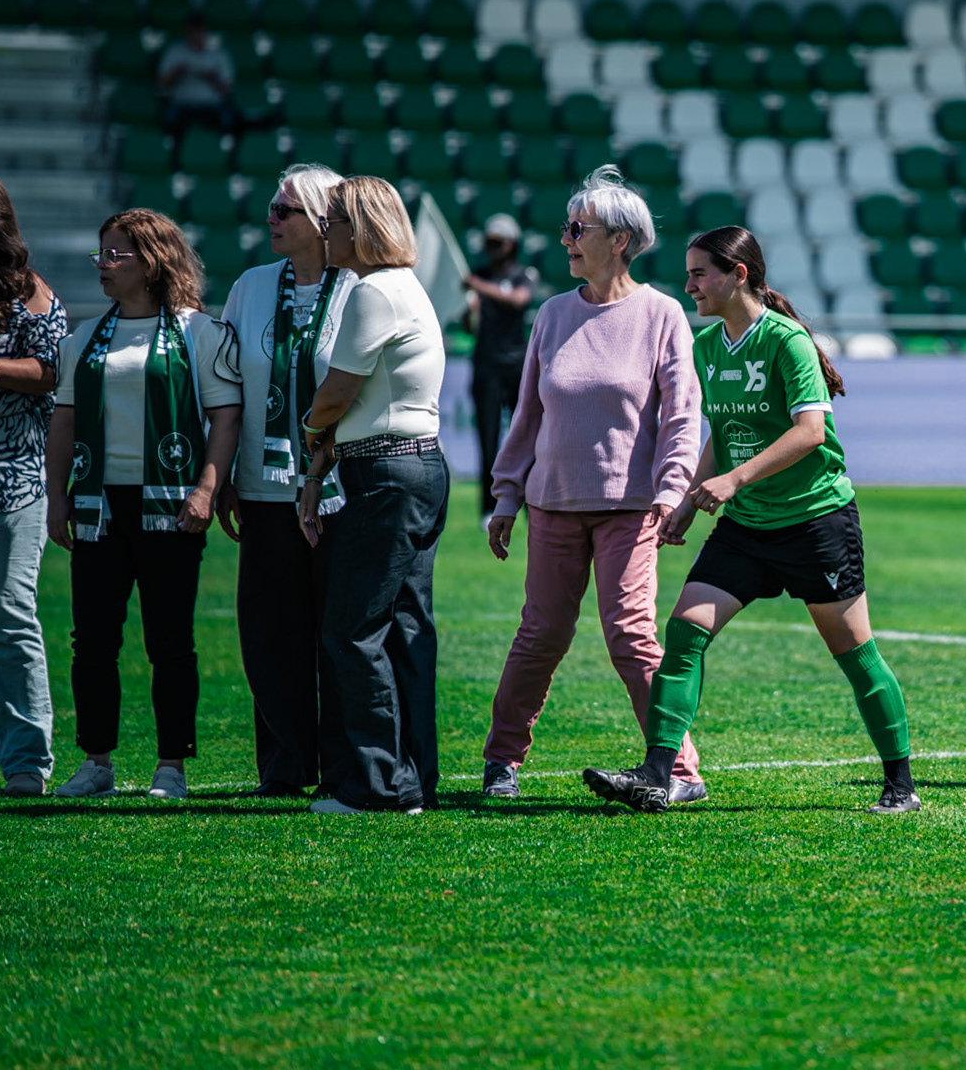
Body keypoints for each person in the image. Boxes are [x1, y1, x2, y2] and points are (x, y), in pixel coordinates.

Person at [581, 225, 919, 815]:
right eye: (687, 275)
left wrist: (734, 480)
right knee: (685, 631)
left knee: (855, 654)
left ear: (739, 275)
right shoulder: (708, 346)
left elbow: (811, 433)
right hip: (748, 526)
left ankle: (901, 785)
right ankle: (657, 775)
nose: (689, 287)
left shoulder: (785, 340)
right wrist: (686, 499)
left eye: (699, 274)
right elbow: (723, 435)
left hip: (816, 522)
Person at [479, 168, 702, 800]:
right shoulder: (550, 315)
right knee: (539, 634)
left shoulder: (662, 314)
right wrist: (506, 494)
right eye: (566, 228)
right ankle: (503, 760)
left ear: (622, 240)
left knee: (632, 635)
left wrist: (671, 490)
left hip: (632, 507)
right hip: (552, 503)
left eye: (580, 229)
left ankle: (680, 771)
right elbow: (527, 415)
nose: (567, 240)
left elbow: (684, 414)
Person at [46, 208, 240, 800]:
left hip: (172, 511)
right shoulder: (84, 337)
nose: (103, 265)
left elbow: (225, 418)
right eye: (99, 254)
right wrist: (57, 498)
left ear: (151, 260)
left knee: (170, 641)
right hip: (99, 509)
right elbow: (65, 420)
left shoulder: (196, 332)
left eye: (115, 254)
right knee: (94, 641)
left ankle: (170, 767)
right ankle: (96, 762)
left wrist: (207, 489)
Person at [297, 177, 448, 815]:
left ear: (358, 228)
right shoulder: (404, 286)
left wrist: (311, 438)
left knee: (353, 630)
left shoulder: (372, 292)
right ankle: (412, 781)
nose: (323, 229)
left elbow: (336, 394)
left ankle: (373, 787)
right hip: (419, 468)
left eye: (332, 219)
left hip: (384, 473)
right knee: (406, 629)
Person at [215, 163, 356, 797]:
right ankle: (283, 767)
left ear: (325, 223)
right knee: (271, 636)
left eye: (285, 210)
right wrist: (220, 476)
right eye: (272, 207)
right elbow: (226, 389)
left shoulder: (360, 288)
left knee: (337, 632)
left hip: (339, 491)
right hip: (265, 489)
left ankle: (341, 764)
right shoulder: (249, 286)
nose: (271, 217)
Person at [0, 168, 67, 797]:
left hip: (7, 483)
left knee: (7, 621)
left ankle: (27, 765)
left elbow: (51, 372)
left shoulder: (26, 291)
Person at [465, 213, 536, 521]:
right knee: (488, 438)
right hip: (486, 366)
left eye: (498, 242)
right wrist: (471, 309)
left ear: (512, 244)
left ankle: (531, 501)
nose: (492, 248)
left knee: (526, 437)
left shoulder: (522, 275)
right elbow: (469, 326)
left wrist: (477, 286)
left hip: (517, 366)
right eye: (489, 242)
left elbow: (519, 300)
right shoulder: (479, 274)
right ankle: (488, 507)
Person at [156, 11, 235, 137]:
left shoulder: (219, 54)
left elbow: (227, 90)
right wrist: (177, 72)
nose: (196, 36)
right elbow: (161, 85)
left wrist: (212, 78)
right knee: (168, 119)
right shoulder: (175, 52)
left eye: (199, 31)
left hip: (210, 105)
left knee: (227, 120)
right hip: (182, 103)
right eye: (192, 32)